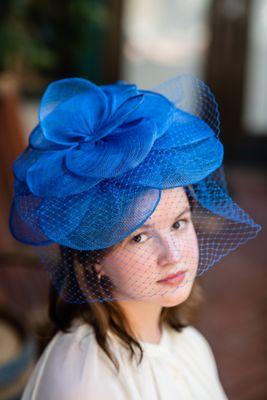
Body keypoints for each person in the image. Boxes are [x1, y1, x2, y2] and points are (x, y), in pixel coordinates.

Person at [9, 75, 261, 399]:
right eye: (139, 237)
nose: (172, 255)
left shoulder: (188, 343)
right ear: (93, 258)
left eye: (178, 223)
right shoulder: (84, 375)